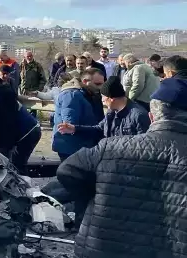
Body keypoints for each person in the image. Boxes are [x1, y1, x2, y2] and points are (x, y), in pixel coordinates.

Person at [55, 77, 187, 258]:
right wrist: (75, 129)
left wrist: (96, 193)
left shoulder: (112, 144)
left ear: (152, 116)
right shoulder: (111, 117)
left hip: (102, 247)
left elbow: (67, 171)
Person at [57, 77, 150, 143]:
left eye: (103, 98)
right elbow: (99, 128)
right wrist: (74, 128)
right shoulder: (111, 112)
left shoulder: (139, 115)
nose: (102, 101)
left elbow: (143, 144)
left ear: (111, 98)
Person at [52, 72, 98, 161]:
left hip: (74, 143)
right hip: (71, 145)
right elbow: (69, 123)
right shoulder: (71, 94)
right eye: (97, 83)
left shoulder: (79, 93)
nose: (101, 86)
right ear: (84, 81)